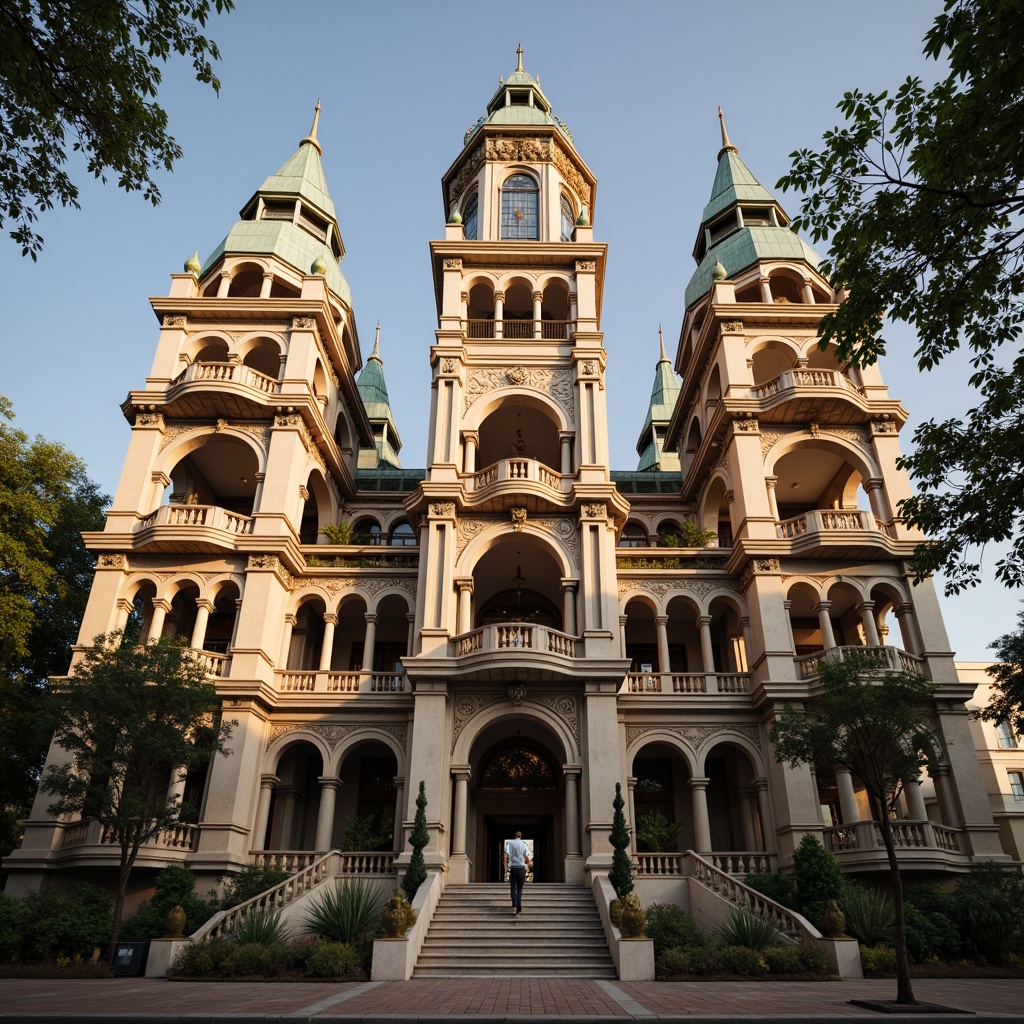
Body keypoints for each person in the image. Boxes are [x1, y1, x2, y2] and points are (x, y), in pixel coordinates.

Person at [504, 830, 531, 919]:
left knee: (512, 886)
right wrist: (525, 862)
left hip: (513, 869)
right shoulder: (524, 845)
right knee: (519, 888)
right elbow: (527, 858)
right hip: (521, 869)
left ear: (515, 836)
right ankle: (519, 905)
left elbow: (506, 856)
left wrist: (506, 866)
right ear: (520, 836)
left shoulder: (509, 844)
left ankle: (514, 903)